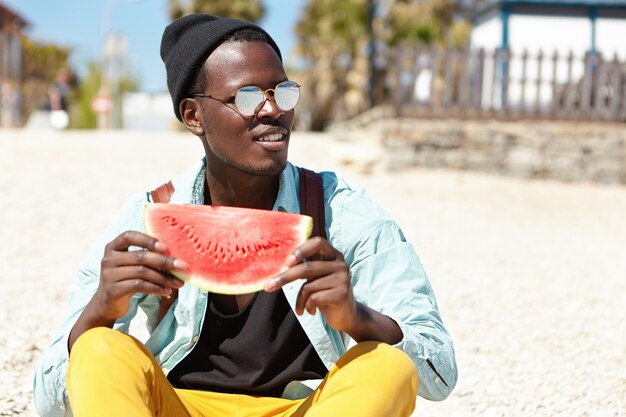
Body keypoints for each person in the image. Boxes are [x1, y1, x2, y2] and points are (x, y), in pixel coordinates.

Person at [33, 14, 457, 417]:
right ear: (193, 116)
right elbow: (47, 399)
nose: (273, 110)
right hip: (179, 407)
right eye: (248, 96)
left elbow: (439, 371)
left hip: (305, 409)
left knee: (388, 365)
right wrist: (100, 311)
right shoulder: (152, 213)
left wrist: (357, 317)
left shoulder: (339, 209)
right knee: (98, 348)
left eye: (282, 91)